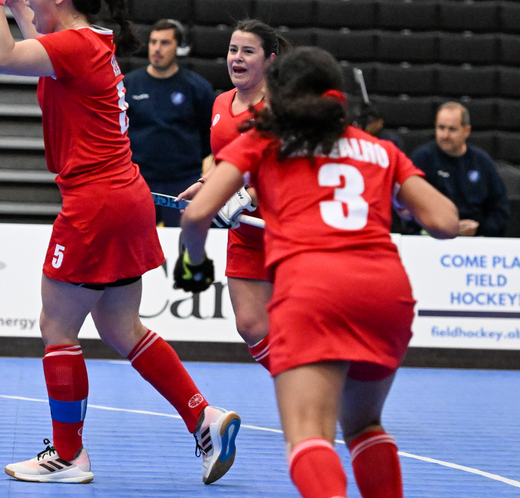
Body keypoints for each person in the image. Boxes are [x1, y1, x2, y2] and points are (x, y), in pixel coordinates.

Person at [0, 0, 240, 484]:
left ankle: (69, 455)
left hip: (94, 203)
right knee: (120, 326)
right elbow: (35, 39)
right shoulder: (86, 42)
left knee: (56, 326)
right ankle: (203, 417)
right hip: (124, 197)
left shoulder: (73, 46)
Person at [176, 46, 459, 498]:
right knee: (364, 426)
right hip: (385, 294)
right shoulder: (379, 150)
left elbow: (196, 214)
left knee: (308, 436)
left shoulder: (263, 141)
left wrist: (193, 261)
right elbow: (445, 222)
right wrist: (400, 199)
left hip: (313, 290)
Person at [178, 19, 290, 371]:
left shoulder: (282, 108)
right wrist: (207, 185)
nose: (237, 58)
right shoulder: (219, 103)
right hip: (245, 233)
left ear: (269, 60)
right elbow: (225, 161)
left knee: (298, 325)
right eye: (232, 50)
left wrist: (249, 195)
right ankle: (300, 386)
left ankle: (317, 391)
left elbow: (290, 166)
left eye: (247, 51)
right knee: (251, 326)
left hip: (285, 230)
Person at [122, 18, 214, 226]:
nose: (157, 49)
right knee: (134, 239)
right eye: (153, 42)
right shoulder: (129, 85)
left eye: (165, 43)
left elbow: (209, 134)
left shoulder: (197, 87)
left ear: (178, 47)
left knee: (184, 239)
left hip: (183, 181)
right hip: (138, 179)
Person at [408, 101, 509, 237]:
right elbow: (409, 207)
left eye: (452, 129)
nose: (445, 135)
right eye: (441, 128)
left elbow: (499, 209)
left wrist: (479, 230)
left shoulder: (482, 162)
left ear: (466, 131)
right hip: (432, 238)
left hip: (476, 240)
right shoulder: (422, 159)